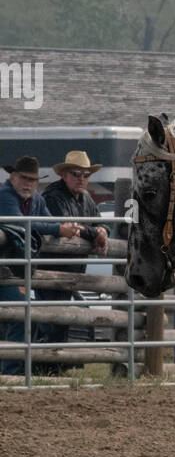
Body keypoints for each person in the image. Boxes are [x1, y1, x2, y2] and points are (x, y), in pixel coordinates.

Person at [0, 156, 82, 375]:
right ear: (13, 177)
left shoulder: (35, 199)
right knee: (20, 311)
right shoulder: (5, 195)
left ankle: (12, 370)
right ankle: (11, 371)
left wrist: (66, 227)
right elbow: (21, 222)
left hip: (12, 270)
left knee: (21, 312)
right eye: (24, 178)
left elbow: (48, 220)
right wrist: (59, 230)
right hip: (9, 268)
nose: (28, 184)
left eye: (32, 180)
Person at [34, 151, 109, 374]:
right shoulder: (53, 195)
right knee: (50, 320)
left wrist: (102, 231)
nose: (81, 179)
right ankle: (45, 368)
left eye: (86, 175)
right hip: (51, 272)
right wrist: (96, 233)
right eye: (76, 174)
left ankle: (51, 368)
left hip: (71, 271)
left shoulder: (85, 198)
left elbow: (99, 225)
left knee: (60, 320)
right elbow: (70, 227)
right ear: (64, 175)